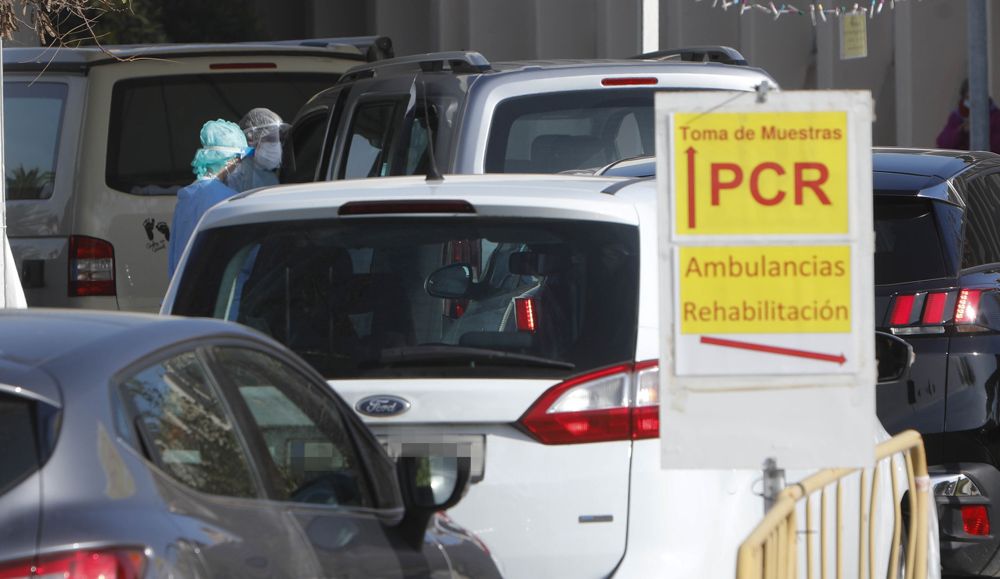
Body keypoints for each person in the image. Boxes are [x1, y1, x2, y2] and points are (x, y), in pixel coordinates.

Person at [168, 119, 248, 278]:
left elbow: (174, 258)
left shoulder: (187, 197)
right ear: (230, 161)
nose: (241, 166)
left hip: (185, 294)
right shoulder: (228, 200)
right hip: (218, 297)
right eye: (240, 160)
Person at [228, 107, 289, 192]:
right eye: (271, 139)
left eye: (279, 139)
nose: (276, 145)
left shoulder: (270, 178)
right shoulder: (234, 174)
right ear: (251, 139)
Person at [936, 78, 1000, 153]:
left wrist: (981, 129)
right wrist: (962, 131)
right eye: (968, 98)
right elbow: (943, 144)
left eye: (976, 98)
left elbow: (996, 148)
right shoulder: (957, 117)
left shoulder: (996, 117)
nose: (973, 103)